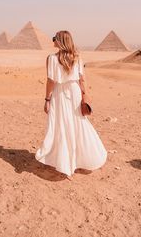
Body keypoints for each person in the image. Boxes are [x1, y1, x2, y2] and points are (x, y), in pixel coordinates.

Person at [35, 30, 107, 180]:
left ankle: (66, 162)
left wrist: (47, 99)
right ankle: (78, 159)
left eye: (54, 38)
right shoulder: (77, 58)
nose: (52, 40)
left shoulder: (51, 59)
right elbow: (82, 80)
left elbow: (51, 81)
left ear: (60, 41)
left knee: (62, 125)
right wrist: (83, 95)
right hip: (74, 92)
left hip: (60, 94)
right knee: (77, 124)